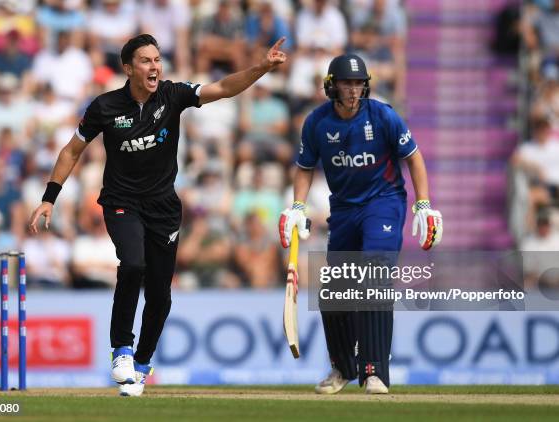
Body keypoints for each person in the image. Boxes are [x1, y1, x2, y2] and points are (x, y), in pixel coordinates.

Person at [28, 33, 287, 397]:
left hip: (164, 208)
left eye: (157, 59)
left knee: (161, 295)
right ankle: (121, 350)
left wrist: (260, 66)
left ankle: (142, 364)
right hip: (121, 203)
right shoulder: (104, 106)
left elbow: (225, 88)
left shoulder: (172, 94)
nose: (154, 66)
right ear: (128, 68)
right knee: (133, 264)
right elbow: (72, 151)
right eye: (146, 61)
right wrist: (49, 198)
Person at [278, 53, 442, 395]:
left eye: (358, 83)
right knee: (333, 292)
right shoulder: (317, 122)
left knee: (373, 278)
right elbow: (305, 167)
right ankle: (342, 367)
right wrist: (297, 206)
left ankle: (375, 371)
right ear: (331, 86)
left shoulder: (383, 116)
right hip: (344, 210)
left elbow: (413, 157)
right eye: (346, 83)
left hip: (383, 204)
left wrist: (423, 204)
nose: (353, 90)